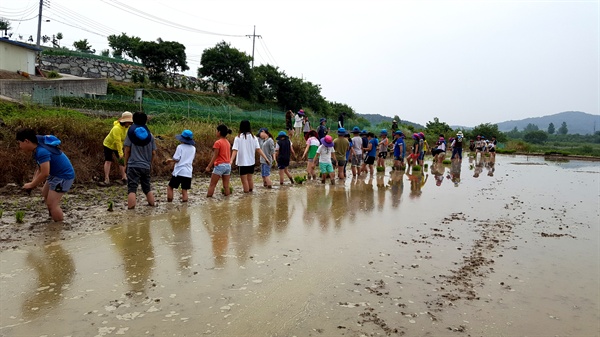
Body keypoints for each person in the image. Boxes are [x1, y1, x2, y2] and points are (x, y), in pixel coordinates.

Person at [17, 129, 75, 222]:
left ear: (26, 141)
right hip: (55, 174)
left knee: (52, 204)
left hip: (63, 176)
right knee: (45, 194)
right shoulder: (37, 145)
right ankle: (52, 217)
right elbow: (39, 168)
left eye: (19, 143)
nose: (19, 146)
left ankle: (58, 227)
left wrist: (32, 185)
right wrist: (33, 182)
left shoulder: (41, 151)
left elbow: (44, 173)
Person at [123, 112, 156, 209]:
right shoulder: (150, 136)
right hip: (146, 166)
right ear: (145, 121)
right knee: (147, 188)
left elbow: (127, 150)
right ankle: (152, 206)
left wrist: (125, 164)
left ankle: (131, 210)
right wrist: (150, 163)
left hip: (133, 165)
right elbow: (154, 152)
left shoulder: (131, 133)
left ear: (133, 120)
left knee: (132, 188)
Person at [230, 120, 270, 193]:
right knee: (250, 179)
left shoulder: (238, 138)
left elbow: (235, 150)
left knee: (244, 181)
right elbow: (258, 149)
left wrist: (231, 161)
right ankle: (250, 195)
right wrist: (266, 158)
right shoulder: (254, 137)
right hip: (251, 162)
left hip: (242, 163)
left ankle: (246, 197)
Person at [101, 111, 133, 186]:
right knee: (108, 160)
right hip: (109, 144)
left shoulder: (127, 127)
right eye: (129, 122)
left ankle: (124, 177)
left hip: (120, 145)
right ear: (125, 121)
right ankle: (106, 179)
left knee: (122, 162)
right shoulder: (116, 128)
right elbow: (117, 141)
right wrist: (120, 153)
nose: (130, 124)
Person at [165, 129, 196, 202]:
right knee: (184, 190)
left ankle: (169, 203)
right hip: (188, 172)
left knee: (170, 187)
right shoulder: (193, 148)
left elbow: (176, 159)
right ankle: (185, 207)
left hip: (179, 171)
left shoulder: (180, 147)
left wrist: (169, 160)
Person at [205, 125, 233, 197]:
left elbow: (215, 156)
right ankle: (227, 201)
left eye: (216, 131)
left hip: (220, 165)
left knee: (212, 185)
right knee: (226, 186)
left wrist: (209, 166)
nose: (216, 132)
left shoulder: (218, 142)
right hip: (228, 165)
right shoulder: (227, 142)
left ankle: (208, 199)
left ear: (219, 132)